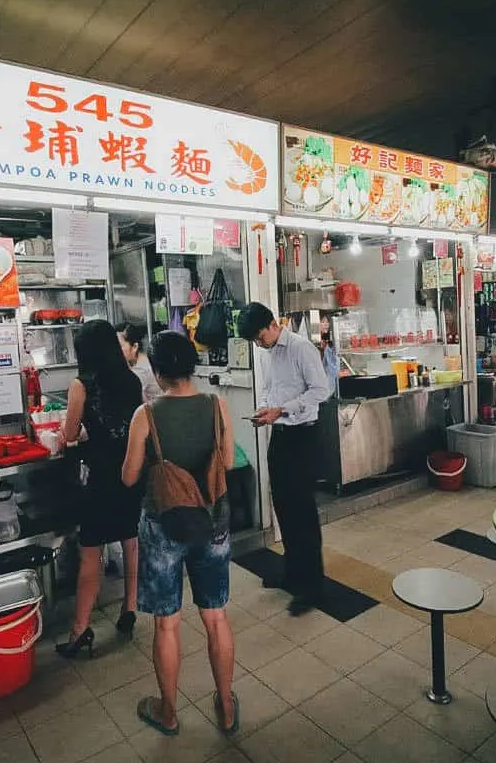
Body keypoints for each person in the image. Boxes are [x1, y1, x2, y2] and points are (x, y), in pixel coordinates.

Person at [122, 331, 237, 736]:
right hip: (212, 522)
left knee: (167, 624)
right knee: (216, 617)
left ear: (155, 370)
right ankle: (225, 706)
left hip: (163, 526)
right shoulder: (216, 405)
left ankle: (168, 712)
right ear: (192, 365)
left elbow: (129, 476)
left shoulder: (146, 415)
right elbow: (226, 460)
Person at [55, 320, 144, 658]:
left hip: (102, 476)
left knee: (90, 550)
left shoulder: (82, 385)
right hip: (132, 472)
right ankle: (130, 608)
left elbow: (72, 434)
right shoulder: (132, 380)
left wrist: (70, 432)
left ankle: (79, 630)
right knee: (130, 539)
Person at [237, 302, 331, 616]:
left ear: (273, 324)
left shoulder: (301, 348)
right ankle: (292, 573)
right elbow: (268, 389)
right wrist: (266, 409)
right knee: (283, 506)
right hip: (280, 434)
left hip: (303, 435)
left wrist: (284, 409)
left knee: (302, 511)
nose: (258, 344)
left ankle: (313, 586)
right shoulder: (270, 353)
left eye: (259, 337)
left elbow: (322, 390)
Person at [118, 321, 162, 403]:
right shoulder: (136, 362)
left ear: (135, 347)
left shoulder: (141, 370)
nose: (116, 350)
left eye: (119, 346)